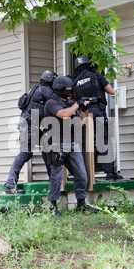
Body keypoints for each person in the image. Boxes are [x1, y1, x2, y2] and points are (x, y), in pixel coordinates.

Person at [43, 75, 99, 216]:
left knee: (81, 174)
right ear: (60, 89)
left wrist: (85, 108)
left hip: (72, 143)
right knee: (56, 177)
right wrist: (77, 104)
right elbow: (63, 114)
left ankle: (81, 204)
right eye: (67, 89)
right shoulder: (51, 102)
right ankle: (52, 206)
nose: (70, 91)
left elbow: (79, 119)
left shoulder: (69, 102)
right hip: (56, 143)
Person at [3, 70, 57, 194]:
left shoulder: (36, 88)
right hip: (29, 126)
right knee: (25, 153)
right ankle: (10, 183)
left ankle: (52, 179)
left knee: (46, 147)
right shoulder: (45, 90)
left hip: (28, 124)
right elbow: (56, 102)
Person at [71, 55, 123, 181]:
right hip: (97, 112)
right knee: (102, 142)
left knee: (86, 144)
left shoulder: (74, 82)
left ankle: (84, 174)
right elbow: (111, 91)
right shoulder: (96, 76)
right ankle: (109, 173)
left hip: (83, 114)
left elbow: (74, 99)